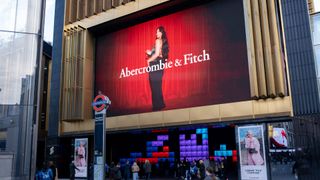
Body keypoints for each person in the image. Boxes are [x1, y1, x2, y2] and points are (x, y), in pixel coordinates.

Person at [146, 26, 169, 111]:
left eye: (158, 32)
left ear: (161, 33)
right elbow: (160, 54)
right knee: (157, 85)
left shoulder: (158, 41)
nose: (156, 33)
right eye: (156, 32)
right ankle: (160, 104)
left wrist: (148, 60)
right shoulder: (163, 41)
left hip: (155, 64)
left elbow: (156, 55)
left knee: (154, 86)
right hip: (160, 63)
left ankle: (157, 106)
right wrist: (150, 52)